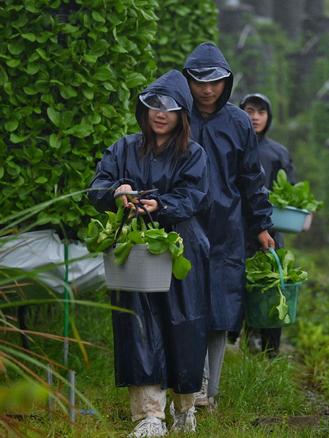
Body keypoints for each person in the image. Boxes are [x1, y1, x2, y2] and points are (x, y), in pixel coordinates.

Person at [88, 70, 209, 438]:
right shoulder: (123, 147)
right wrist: (116, 192)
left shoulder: (193, 153)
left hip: (180, 247)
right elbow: (96, 186)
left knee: (183, 326)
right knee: (138, 325)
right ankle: (149, 415)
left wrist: (160, 205)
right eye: (154, 104)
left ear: (181, 115)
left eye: (170, 108)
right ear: (144, 109)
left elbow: (193, 196)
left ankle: (185, 407)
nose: (161, 113)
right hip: (135, 248)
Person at [182, 42, 275, 408]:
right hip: (185, 221)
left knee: (221, 307)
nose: (207, 90)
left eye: (215, 82)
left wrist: (262, 225)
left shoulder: (237, 122)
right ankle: (194, 382)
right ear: (187, 80)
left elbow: (251, 177)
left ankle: (211, 389)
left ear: (227, 83)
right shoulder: (179, 115)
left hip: (226, 226)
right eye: (199, 81)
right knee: (189, 304)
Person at [240, 92, 296, 356]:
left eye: (261, 112)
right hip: (236, 231)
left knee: (273, 287)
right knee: (238, 286)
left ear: (269, 117)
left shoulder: (278, 153)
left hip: (270, 232)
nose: (254, 117)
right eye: (249, 110)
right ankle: (238, 339)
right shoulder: (233, 146)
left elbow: (290, 193)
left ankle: (271, 351)